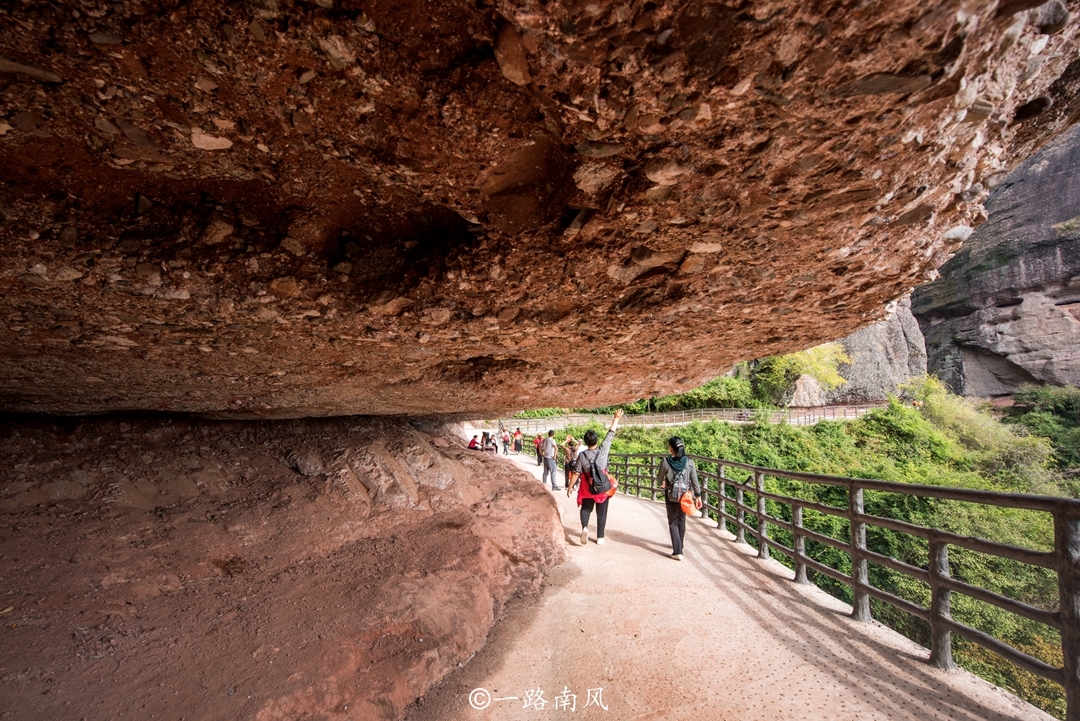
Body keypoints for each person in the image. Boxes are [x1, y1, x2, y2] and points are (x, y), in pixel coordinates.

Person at [570, 410, 624, 546]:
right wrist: (616, 418)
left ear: (586, 442)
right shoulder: (603, 450)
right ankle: (600, 537)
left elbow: (576, 472)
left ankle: (585, 528)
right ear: (596, 440)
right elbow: (610, 434)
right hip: (601, 487)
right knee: (602, 512)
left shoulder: (582, 456)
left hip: (587, 488)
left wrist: (570, 486)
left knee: (586, 509)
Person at [659, 436, 702, 560]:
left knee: (673, 521)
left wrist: (665, 483)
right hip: (685, 496)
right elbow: (695, 481)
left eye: (669, 445)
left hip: (671, 495)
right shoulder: (689, 462)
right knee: (681, 520)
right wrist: (698, 496)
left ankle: (677, 551)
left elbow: (659, 479)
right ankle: (680, 545)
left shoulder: (666, 462)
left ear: (671, 448)